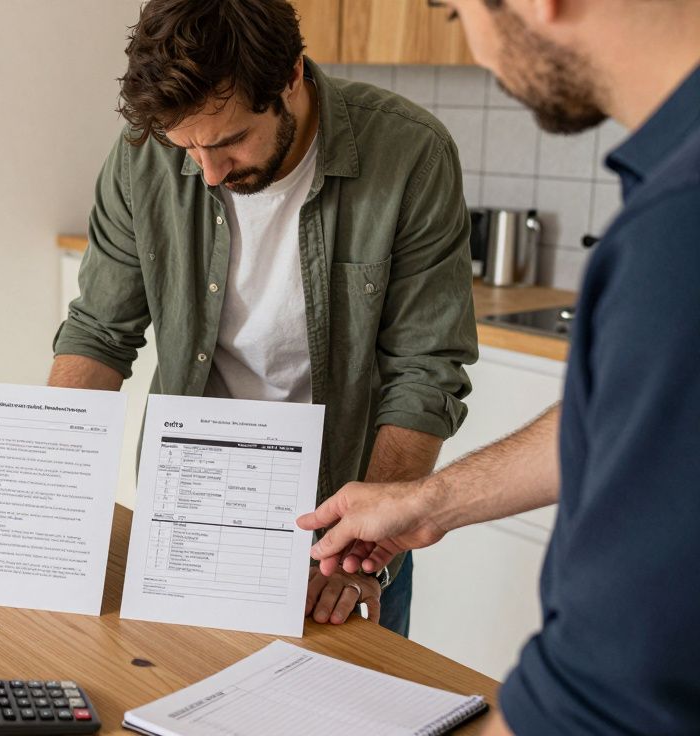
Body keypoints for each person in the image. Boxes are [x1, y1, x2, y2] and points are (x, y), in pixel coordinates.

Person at [0, 0, 479, 637]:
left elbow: (425, 374)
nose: (209, 173)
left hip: (343, 523)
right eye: (186, 148)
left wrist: (366, 551)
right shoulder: (143, 158)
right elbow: (101, 333)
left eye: (229, 141)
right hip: (185, 513)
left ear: (291, 77)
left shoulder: (410, 153)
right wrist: (27, 494)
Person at [297, 0, 700, 732]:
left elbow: (611, 695)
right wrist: (434, 498)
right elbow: (634, 411)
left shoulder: (679, 233)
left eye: (456, 13)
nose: (479, 51)